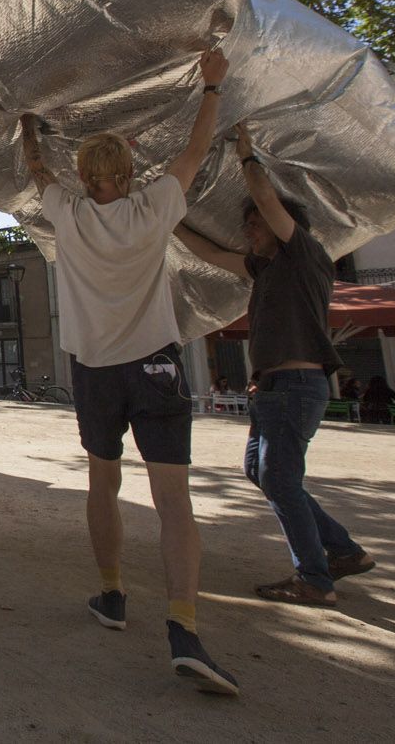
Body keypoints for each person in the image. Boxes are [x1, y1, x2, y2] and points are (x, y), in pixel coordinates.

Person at [19, 46, 239, 697]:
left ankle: (113, 594)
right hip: (155, 366)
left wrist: (29, 126)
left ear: (86, 174)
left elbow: (34, 168)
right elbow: (194, 155)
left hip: (95, 371)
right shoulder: (152, 210)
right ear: (131, 170)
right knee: (173, 501)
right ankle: (184, 627)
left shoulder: (71, 213)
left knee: (102, 482)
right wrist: (211, 88)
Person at [174, 125, 375, 609]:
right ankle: (343, 551)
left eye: (255, 226)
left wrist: (246, 156)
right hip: (272, 388)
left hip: (296, 383)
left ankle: (315, 578)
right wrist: (167, 217)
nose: (250, 231)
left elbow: (266, 201)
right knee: (263, 474)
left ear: (283, 226)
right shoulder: (265, 269)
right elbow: (212, 254)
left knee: (280, 479)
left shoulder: (305, 254)